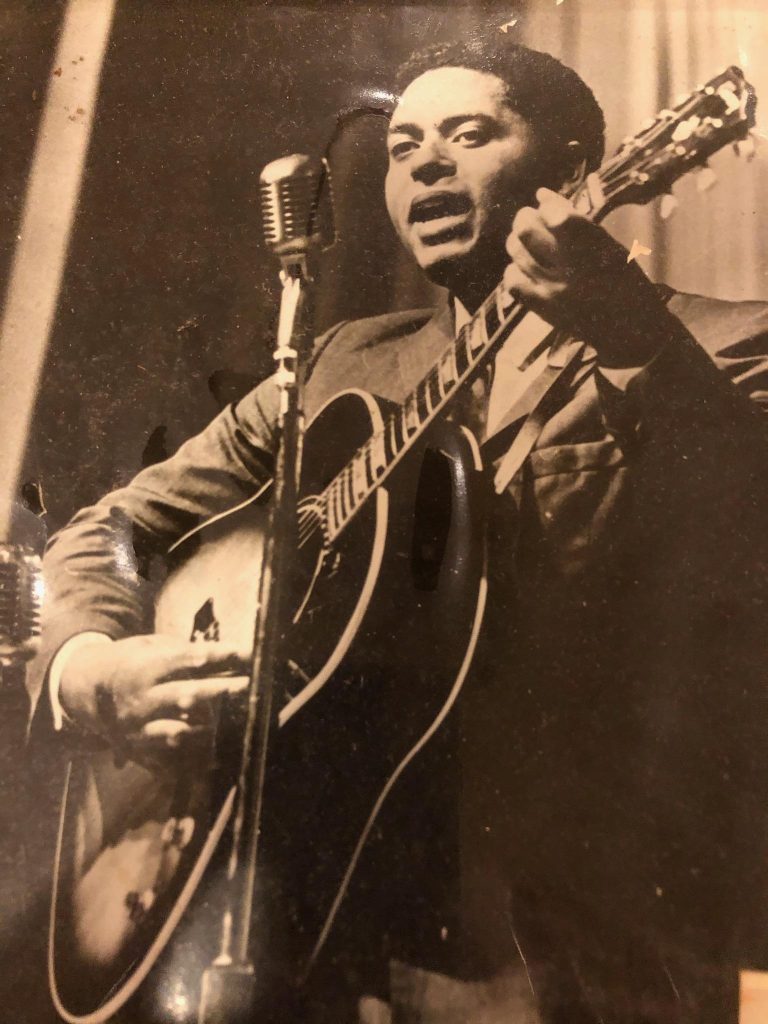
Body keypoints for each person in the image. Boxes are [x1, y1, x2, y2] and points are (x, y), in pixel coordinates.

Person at [28, 36, 768, 1024]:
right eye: (405, 145)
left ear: (575, 171)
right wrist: (88, 669)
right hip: (306, 913)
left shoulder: (727, 344)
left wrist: (632, 337)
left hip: (572, 946)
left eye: (469, 134)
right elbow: (115, 524)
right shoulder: (336, 364)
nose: (424, 164)